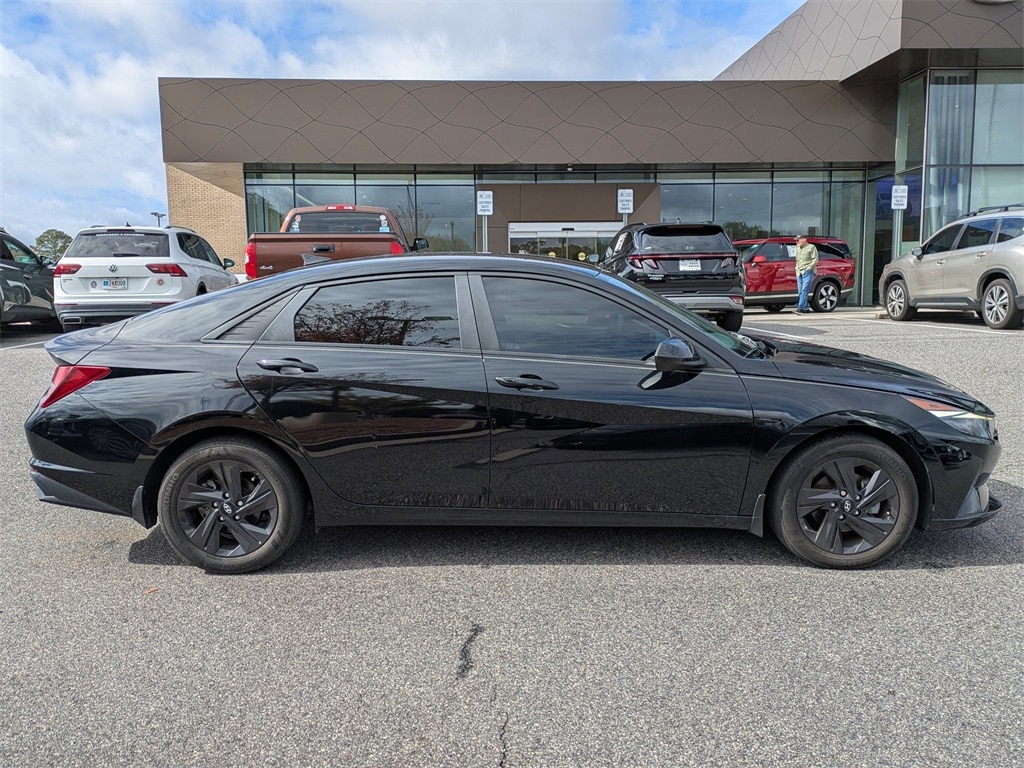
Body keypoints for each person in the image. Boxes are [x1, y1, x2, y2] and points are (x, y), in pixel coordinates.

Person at [794, 235, 819, 313]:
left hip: (808, 271)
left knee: (805, 289)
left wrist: (808, 268)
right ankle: (805, 307)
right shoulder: (798, 248)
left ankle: (800, 307)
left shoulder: (811, 247)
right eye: (796, 241)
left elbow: (815, 259)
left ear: (804, 239)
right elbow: (797, 260)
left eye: (798, 240)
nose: (796, 242)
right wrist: (796, 268)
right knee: (800, 290)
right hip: (799, 271)